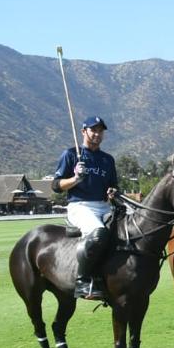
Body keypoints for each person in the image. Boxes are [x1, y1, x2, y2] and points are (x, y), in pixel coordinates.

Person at [52, 115, 119, 300]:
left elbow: (114, 186)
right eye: (93, 130)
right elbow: (56, 185)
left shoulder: (107, 159)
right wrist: (75, 179)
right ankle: (83, 281)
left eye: (100, 130)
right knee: (98, 233)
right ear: (83, 132)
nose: (97, 134)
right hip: (80, 205)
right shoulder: (71, 154)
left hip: (104, 206)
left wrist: (113, 191)